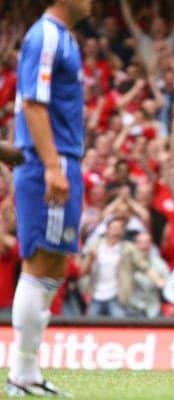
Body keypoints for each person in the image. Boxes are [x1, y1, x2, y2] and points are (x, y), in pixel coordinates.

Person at [7, 0, 91, 396]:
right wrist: (53, 166)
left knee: (54, 267)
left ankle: (29, 372)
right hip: (50, 162)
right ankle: (21, 374)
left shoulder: (66, 39)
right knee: (39, 265)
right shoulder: (46, 36)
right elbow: (34, 104)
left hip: (62, 159)